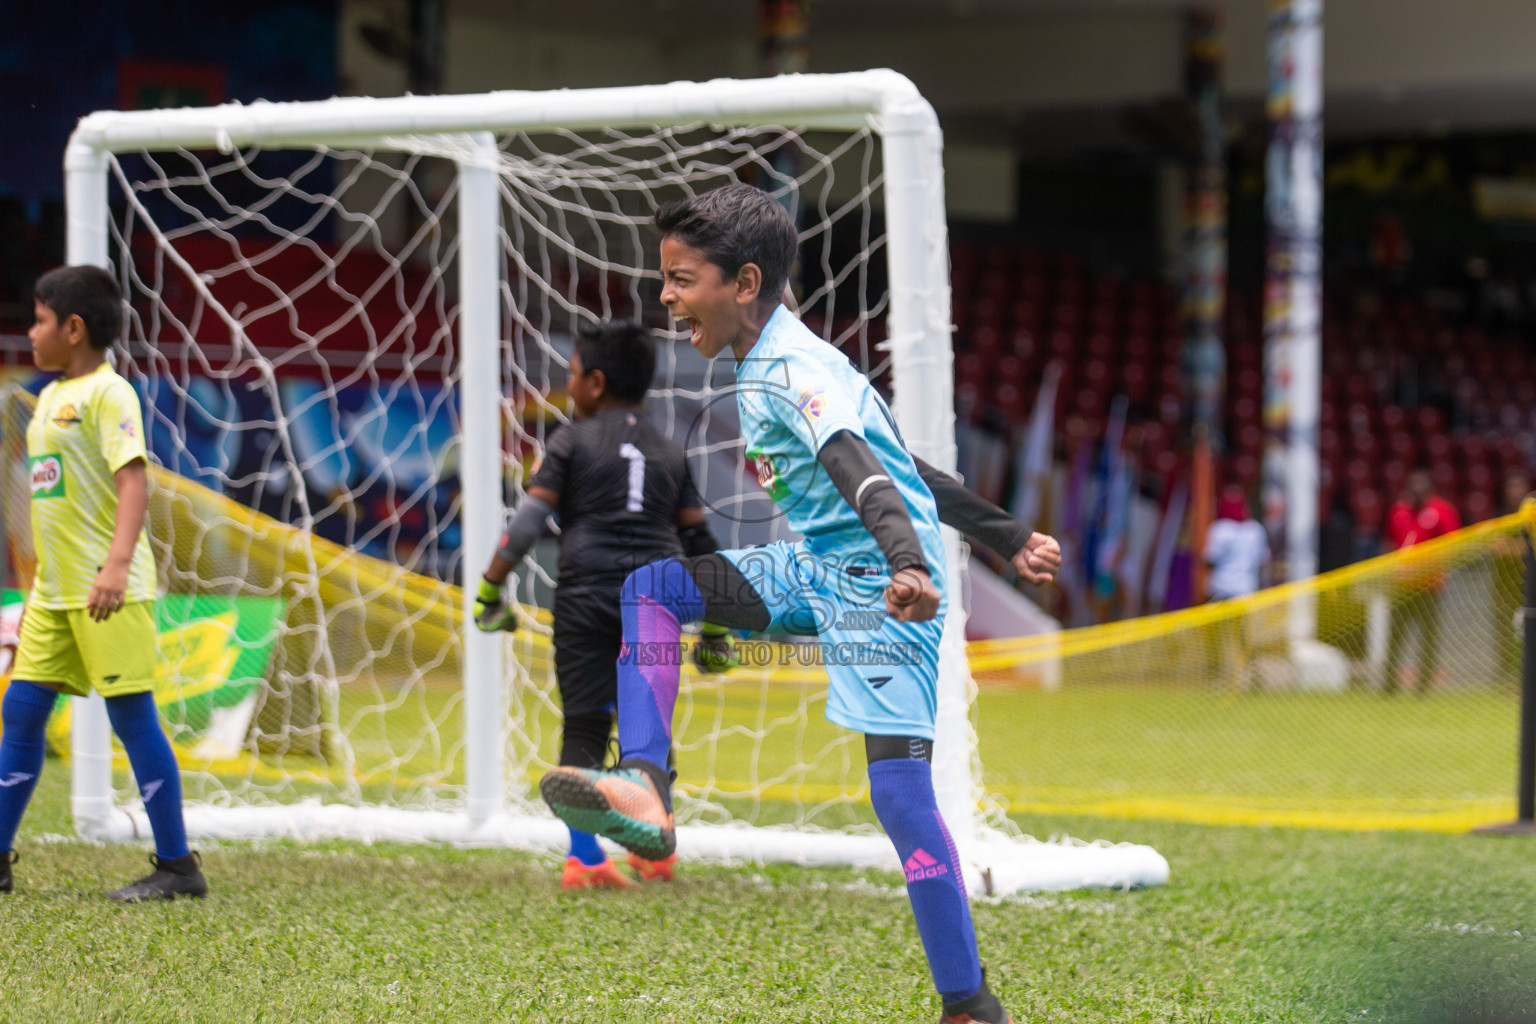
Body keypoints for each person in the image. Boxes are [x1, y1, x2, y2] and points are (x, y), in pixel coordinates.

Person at [537, 184, 1062, 1024]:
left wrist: (905, 565)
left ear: (744, 284)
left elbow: (868, 474)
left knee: (899, 797)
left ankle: (970, 1006)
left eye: (681, 279)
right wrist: (1004, 535)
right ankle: (643, 785)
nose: (666, 300)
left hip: (882, 591)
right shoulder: (787, 355)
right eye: (664, 279)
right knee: (655, 590)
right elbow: (904, 466)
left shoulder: (791, 372)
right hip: (815, 567)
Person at [471, 319, 734, 890]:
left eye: (571, 376)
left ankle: (586, 859)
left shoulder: (570, 441)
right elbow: (702, 546)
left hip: (585, 595)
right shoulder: (669, 452)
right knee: (649, 729)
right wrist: (715, 631)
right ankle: (658, 850)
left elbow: (525, 527)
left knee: (586, 724)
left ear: (593, 382)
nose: (570, 387)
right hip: (655, 601)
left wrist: (490, 590)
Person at [0, 265, 206, 900]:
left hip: (106, 591)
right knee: (20, 710)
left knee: (132, 717)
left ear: (74, 327)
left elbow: (132, 480)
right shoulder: (48, 402)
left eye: (38, 321)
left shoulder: (110, 395)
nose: (31, 332)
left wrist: (117, 564)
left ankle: (177, 867)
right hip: (55, 597)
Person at [1383, 467, 1462, 695]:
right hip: (1401, 585)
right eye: (1412, 486)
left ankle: (1424, 686)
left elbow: (1452, 545)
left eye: (1421, 486)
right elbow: (1389, 541)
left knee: (1428, 638)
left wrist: (1437, 570)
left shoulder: (1443, 510)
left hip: (1429, 586)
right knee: (1395, 637)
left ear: (1430, 488)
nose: (1416, 491)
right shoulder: (1399, 510)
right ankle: (1389, 684)